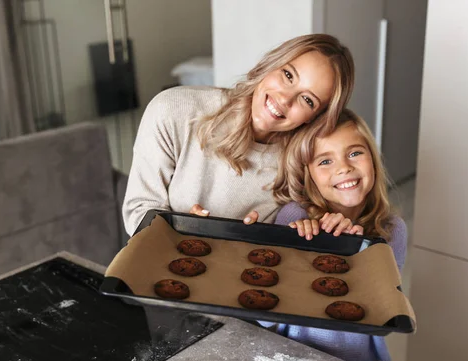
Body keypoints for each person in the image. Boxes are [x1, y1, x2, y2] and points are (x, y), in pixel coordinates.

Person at [122, 34, 355, 236]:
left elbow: (321, 220)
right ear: (271, 64)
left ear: (314, 118)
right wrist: (183, 230)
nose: (285, 99)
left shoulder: (305, 161)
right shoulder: (173, 110)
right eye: (288, 75)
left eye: (307, 100)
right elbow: (138, 213)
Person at [268, 109, 408, 361]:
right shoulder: (295, 218)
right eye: (324, 161)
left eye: (355, 153)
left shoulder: (392, 229)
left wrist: (353, 257)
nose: (344, 167)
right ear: (308, 174)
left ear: (373, 160)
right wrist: (313, 248)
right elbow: (272, 311)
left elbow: (386, 315)